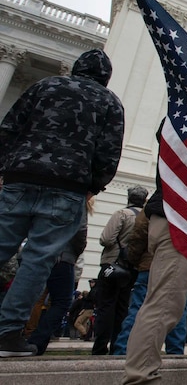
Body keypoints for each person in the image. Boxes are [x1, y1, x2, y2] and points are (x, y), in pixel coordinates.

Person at [0, 48, 124, 358]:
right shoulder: (109, 102)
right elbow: (108, 154)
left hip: (20, 177)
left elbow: (9, 128)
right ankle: (7, 332)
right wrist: (92, 187)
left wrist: (5, 169)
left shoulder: (45, 86)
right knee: (38, 260)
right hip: (68, 187)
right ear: (106, 77)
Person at [122, 120, 187, 384]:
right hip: (177, 221)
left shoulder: (178, 129)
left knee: (162, 303)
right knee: (164, 304)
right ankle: (141, 376)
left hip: (172, 219)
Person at [112, 209, 187, 356]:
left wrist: (134, 260)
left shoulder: (153, 206)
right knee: (177, 311)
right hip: (181, 266)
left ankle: (123, 351)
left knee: (139, 309)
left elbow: (138, 235)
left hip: (150, 266)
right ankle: (176, 354)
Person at [27, 198, 91, 355]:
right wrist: (75, 254)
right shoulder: (77, 198)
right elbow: (80, 232)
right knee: (61, 302)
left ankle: (20, 334)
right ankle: (37, 340)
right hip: (62, 256)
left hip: (37, 251)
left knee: (33, 297)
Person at [92, 185, 148, 355]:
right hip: (132, 267)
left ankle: (100, 346)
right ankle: (119, 345)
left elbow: (106, 238)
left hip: (112, 264)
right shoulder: (146, 218)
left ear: (128, 198)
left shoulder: (122, 214)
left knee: (106, 306)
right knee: (123, 307)